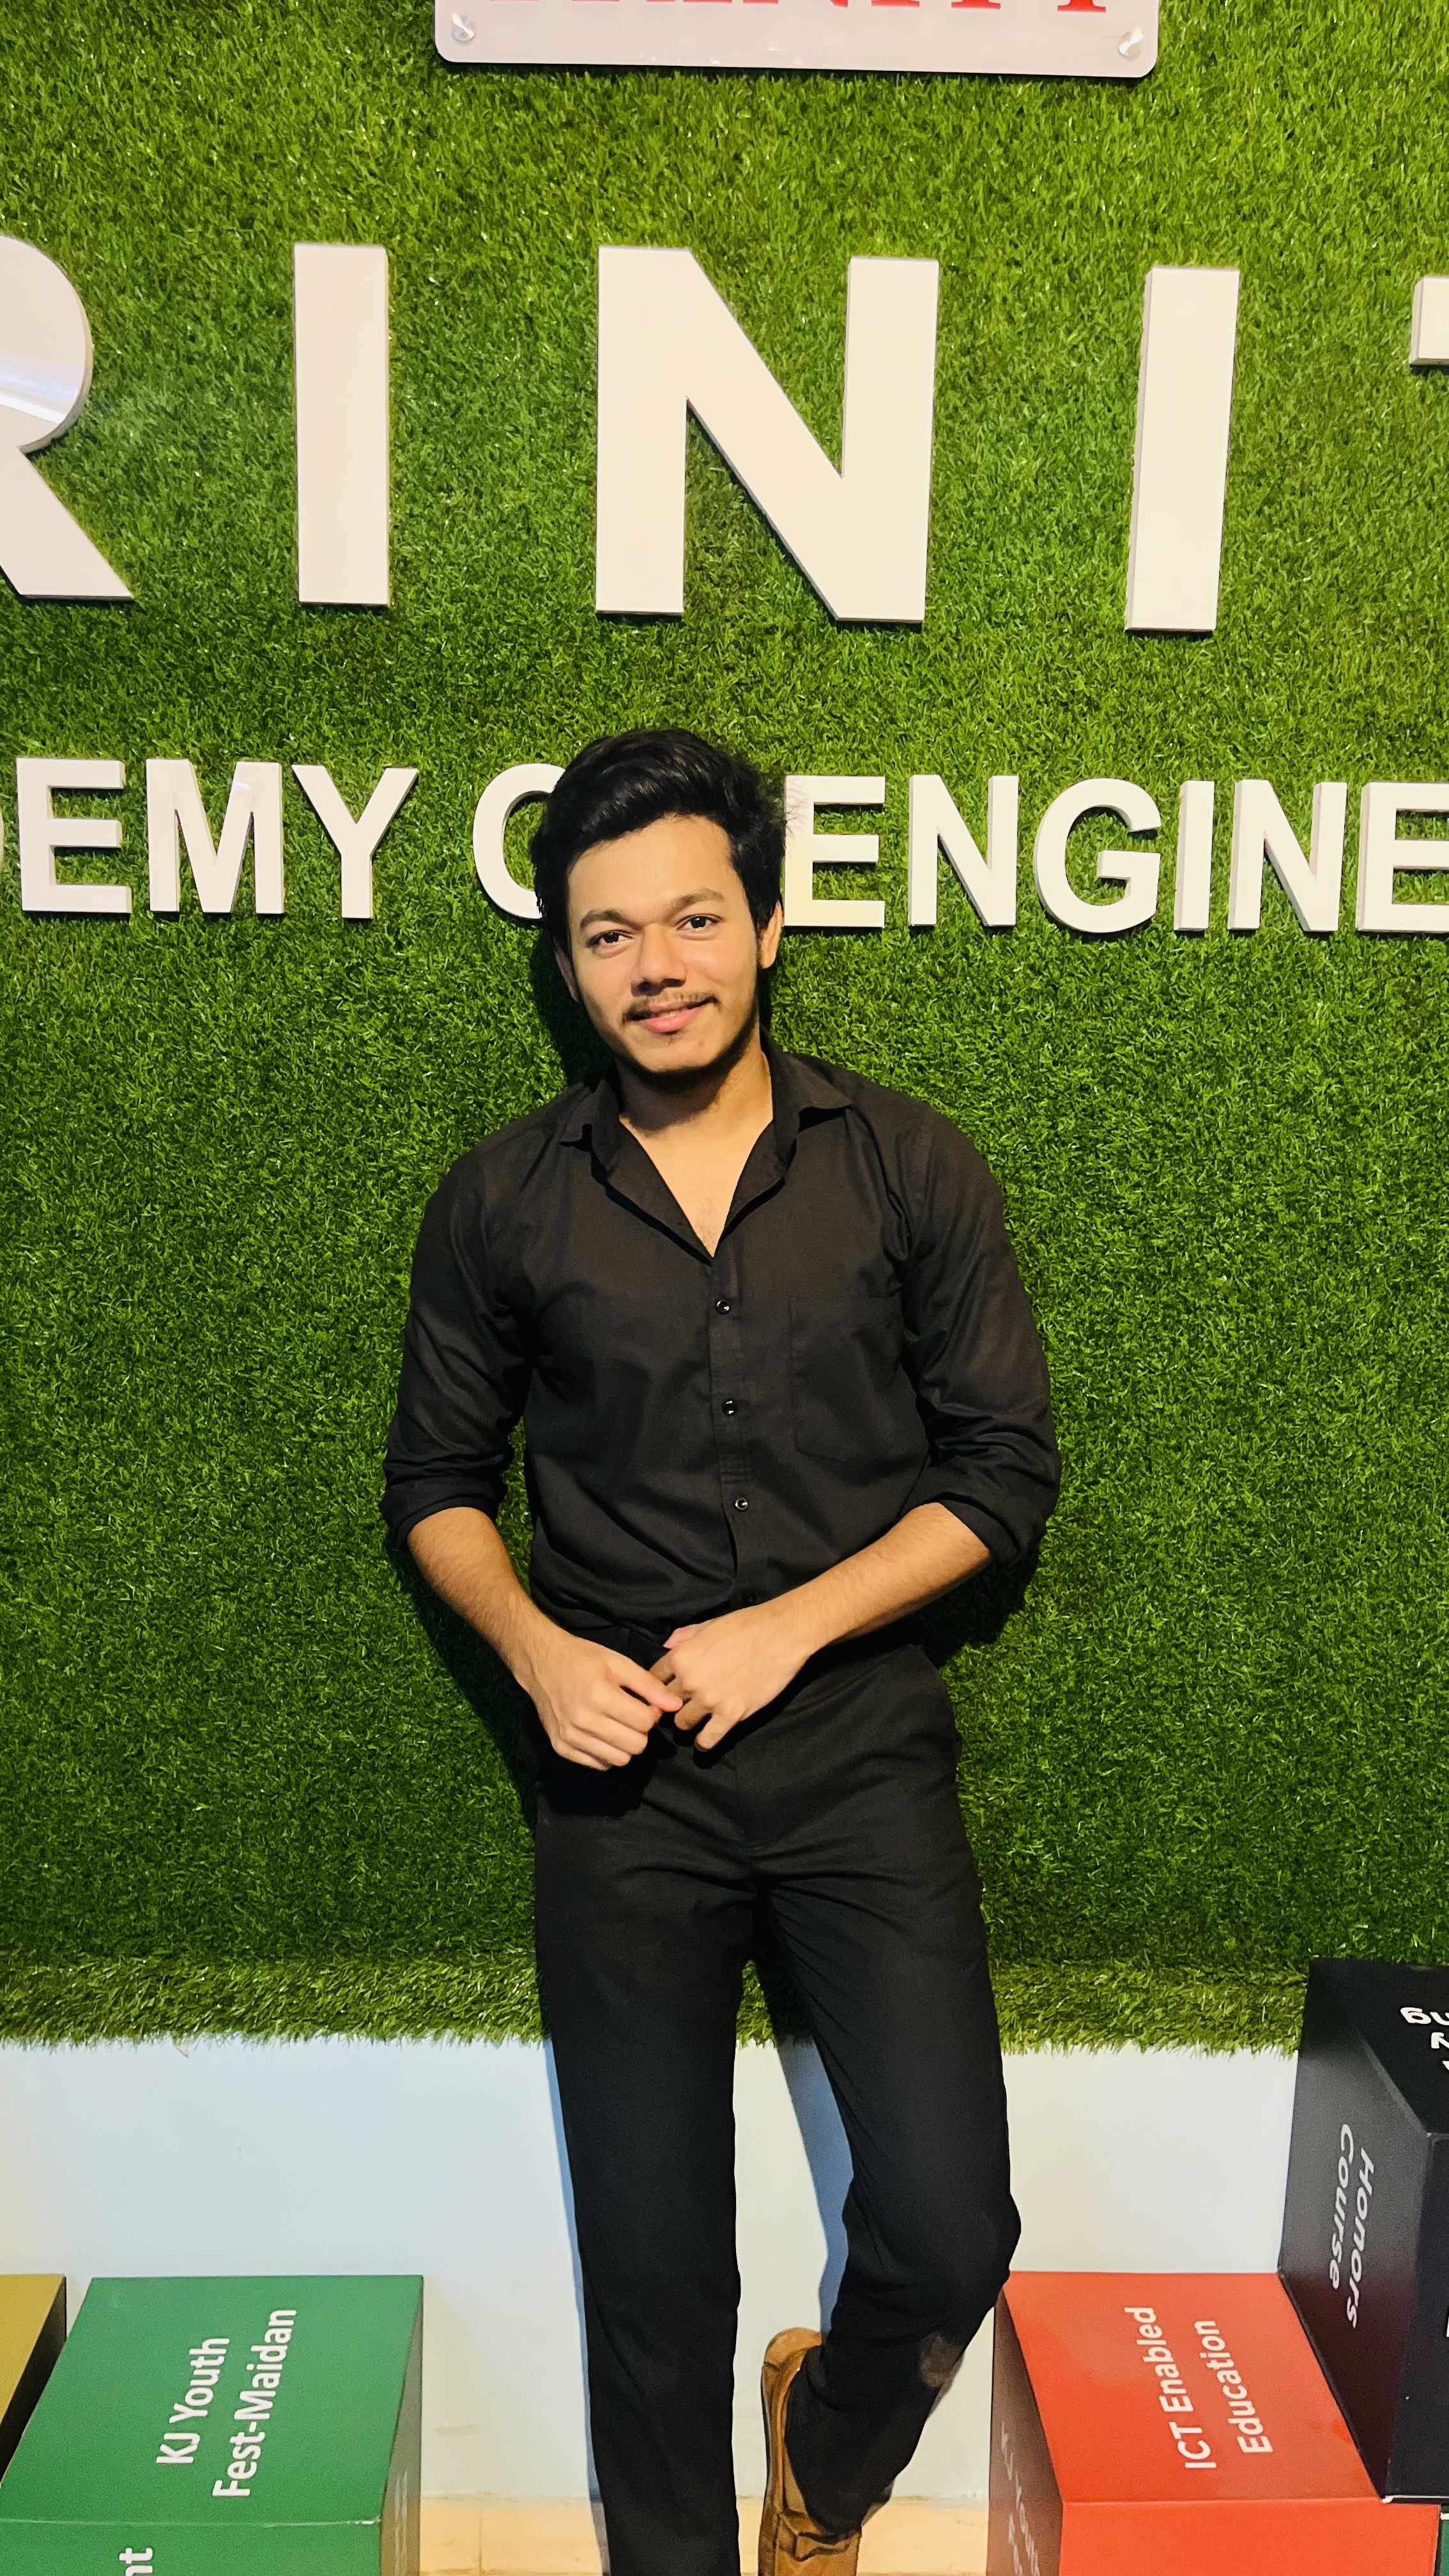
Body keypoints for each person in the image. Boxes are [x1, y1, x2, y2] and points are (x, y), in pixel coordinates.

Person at [382, 730, 1059, 2576]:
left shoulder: (907, 1165)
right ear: (565, 960)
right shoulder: (504, 1200)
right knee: (655, 2262)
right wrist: (534, 1650)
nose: (654, 965)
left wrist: (791, 1625)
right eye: (606, 934)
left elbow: (1003, 1474)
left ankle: (825, 2462)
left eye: (692, 918)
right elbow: (435, 1486)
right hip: (620, 1788)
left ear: (767, 925)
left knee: (950, 2223)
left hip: (858, 1753)